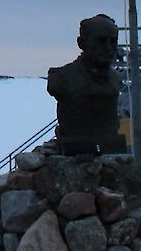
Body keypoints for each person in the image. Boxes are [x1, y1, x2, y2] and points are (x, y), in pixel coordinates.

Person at [48, 13, 123, 156]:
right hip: (74, 146)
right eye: (101, 41)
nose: (108, 47)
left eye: (113, 41)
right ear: (81, 43)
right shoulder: (62, 77)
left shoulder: (115, 78)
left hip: (109, 147)